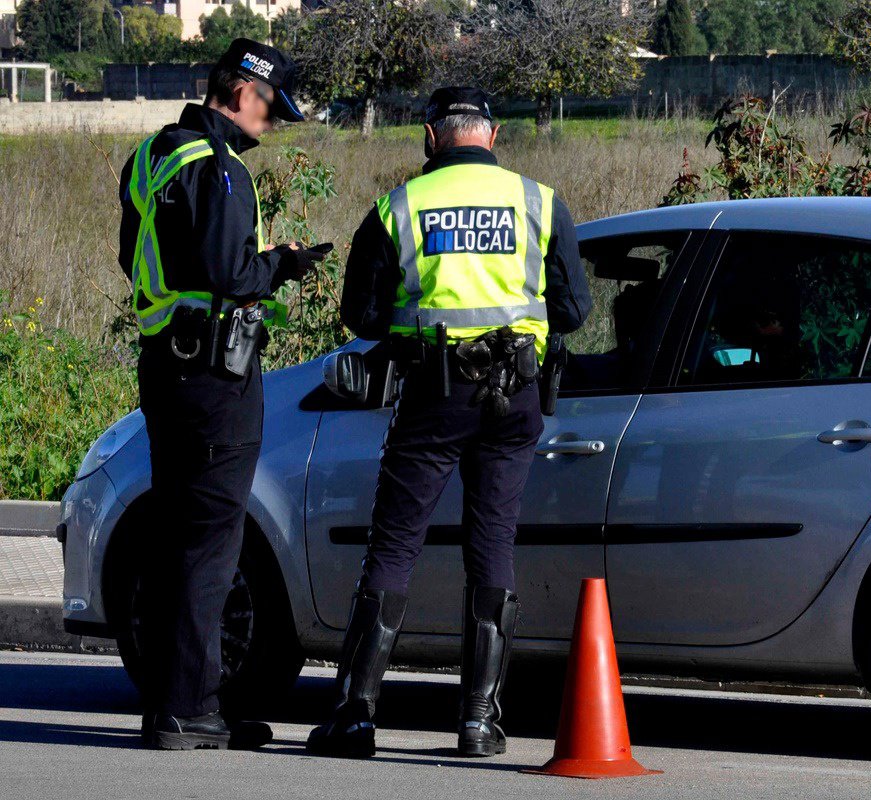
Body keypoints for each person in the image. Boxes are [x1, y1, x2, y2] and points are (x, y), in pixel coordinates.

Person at [307, 87, 592, 759]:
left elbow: (361, 315)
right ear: (492, 135)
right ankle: (479, 722)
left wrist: (415, 318)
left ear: (432, 136)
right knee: (492, 545)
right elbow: (574, 311)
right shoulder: (540, 202)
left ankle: (354, 715)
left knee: (394, 545)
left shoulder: (399, 207)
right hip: (514, 396)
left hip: (434, 396)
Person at [116, 38, 330, 751]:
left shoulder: (152, 156)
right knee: (211, 543)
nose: (270, 123)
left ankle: (169, 703)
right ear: (242, 91)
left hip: (164, 365)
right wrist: (282, 264)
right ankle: (190, 709)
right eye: (270, 107)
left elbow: (134, 257)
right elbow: (230, 274)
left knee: (177, 535)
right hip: (215, 376)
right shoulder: (220, 166)